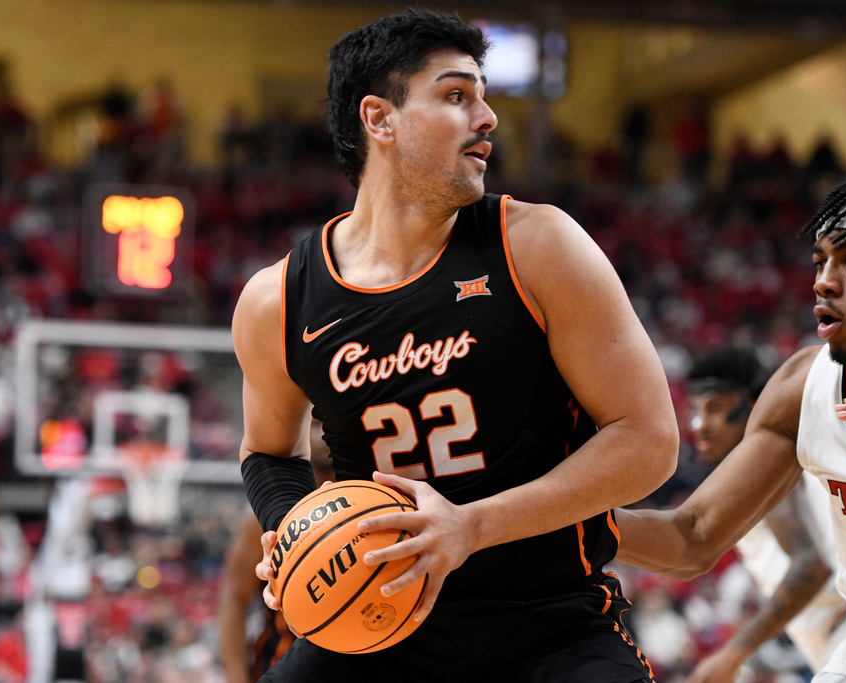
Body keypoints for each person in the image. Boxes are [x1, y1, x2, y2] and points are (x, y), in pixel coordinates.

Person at [231, 9, 679, 683]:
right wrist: (298, 530)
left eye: (483, 94)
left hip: (549, 624)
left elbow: (648, 440)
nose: (488, 116)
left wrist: (471, 524)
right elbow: (268, 452)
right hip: (372, 626)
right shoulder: (280, 299)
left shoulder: (536, 245)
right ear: (379, 120)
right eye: (455, 95)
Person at [616, 166, 846, 682]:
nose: (824, 280)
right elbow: (693, 536)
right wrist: (554, 522)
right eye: (820, 261)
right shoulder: (801, 389)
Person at [681, 347, 846, 683]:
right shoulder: (779, 462)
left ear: (754, 404)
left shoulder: (763, 469)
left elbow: (811, 566)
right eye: (695, 410)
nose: (699, 425)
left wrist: (733, 653)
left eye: (715, 407)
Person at [217, 417, 333, 683]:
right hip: (279, 663)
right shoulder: (261, 518)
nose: (323, 433)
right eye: (315, 424)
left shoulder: (369, 501)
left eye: (329, 423)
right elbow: (233, 599)